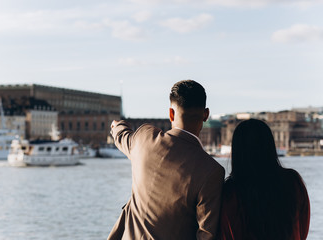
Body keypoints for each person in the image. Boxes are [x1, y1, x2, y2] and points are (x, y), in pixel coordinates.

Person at [108, 80, 225, 240]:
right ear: (206, 115)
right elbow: (206, 235)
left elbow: (122, 135)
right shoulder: (211, 171)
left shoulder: (144, 139)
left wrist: (116, 126)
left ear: (171, 113)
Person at [219, 119, 310, 240]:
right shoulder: (292, 181)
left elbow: (226, 233)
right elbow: (303, 228)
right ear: (270, 146)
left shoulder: (230, 192)